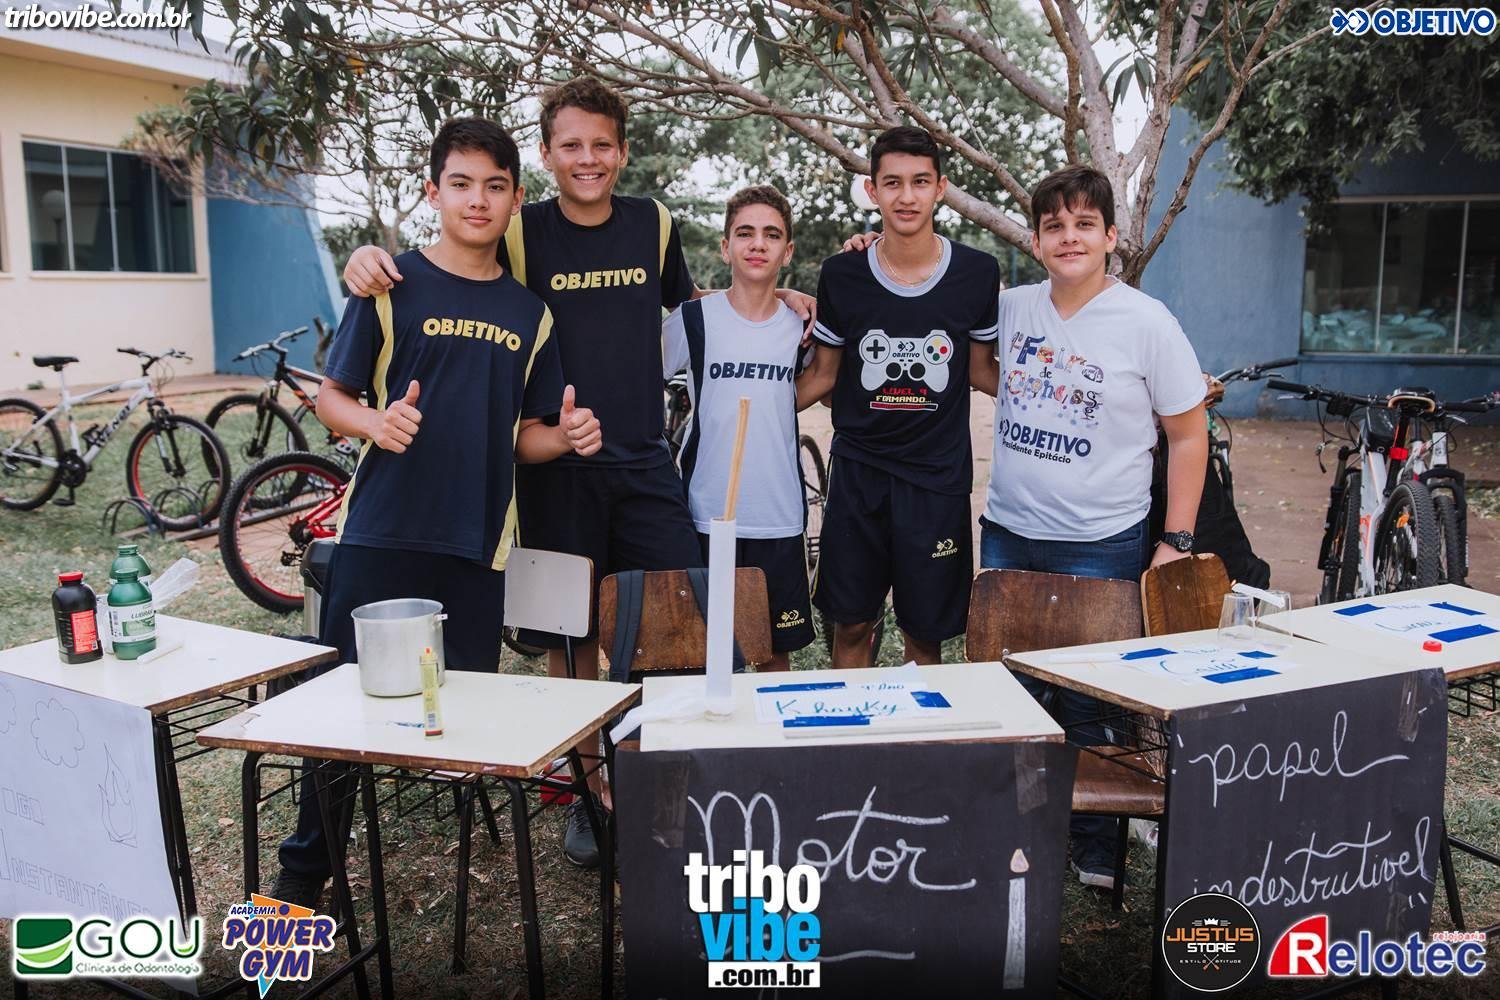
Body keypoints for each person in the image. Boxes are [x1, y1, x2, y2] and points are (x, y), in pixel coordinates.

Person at [341, 77, 813, 868]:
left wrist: (773, 290)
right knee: (573, 632)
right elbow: (452, 263)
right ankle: (589, 791)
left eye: (601, 144)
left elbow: (692, 304)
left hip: (643, 462)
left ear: (622, 152)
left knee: (675, 617)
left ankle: (667, 777)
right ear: (547, 155)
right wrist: (367, 259)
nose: (587, 158)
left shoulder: (653, 223)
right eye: (571, 145)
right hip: (555, 466)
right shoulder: (520, 230)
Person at [270, 117, 601, 910]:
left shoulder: (530, 314)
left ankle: (466, 874)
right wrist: (374, 423)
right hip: (380, 536)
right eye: (461, 183)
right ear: (433, 192)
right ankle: (304, 874)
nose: (477, 200)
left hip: (476, 548)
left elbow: (523, 435)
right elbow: (333, 398)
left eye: (494, 186)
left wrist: (564, 437)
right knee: (340, 716)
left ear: (515, 199)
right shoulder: (390, 285)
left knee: (465, 721)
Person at [970, 163, 1208, 892]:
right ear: (1036, 241)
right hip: (1010, 532)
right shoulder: (1012, 309)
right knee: (1012, 691)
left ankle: (1096, 847)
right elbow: (957, 338)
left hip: (1103, 540)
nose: (1068, 237)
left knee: (1092, 697)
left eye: (1084, 224)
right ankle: (1016, 830)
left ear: (1110, 237)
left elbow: (1188, 434)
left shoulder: (1147, 322)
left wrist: (1176, 541)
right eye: (1054, 226)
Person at [797, 125, 1001, 668]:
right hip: (859, 475)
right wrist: (741, 400)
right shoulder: (843, 274)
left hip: (937, 480)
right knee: (851, 624)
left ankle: (919, 727)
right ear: (872, 190)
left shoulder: (977, 273)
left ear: (941, 188)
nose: (906, 196)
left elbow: (983, 371)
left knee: (925, 634)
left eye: (920, 182)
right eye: (892, 183)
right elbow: (822, 376)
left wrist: (1066, 400)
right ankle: (851, 721)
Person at [663, 186, 814, 671]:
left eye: (772, 235)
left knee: (773, 657)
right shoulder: (693, 320)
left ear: (787, 251)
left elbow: (824, 386)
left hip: (778, 514)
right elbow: (641, 380)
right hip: (707, 513)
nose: (758, 244)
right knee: (709, 655)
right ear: (725, 247)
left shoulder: (802, 327)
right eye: (745, 233)